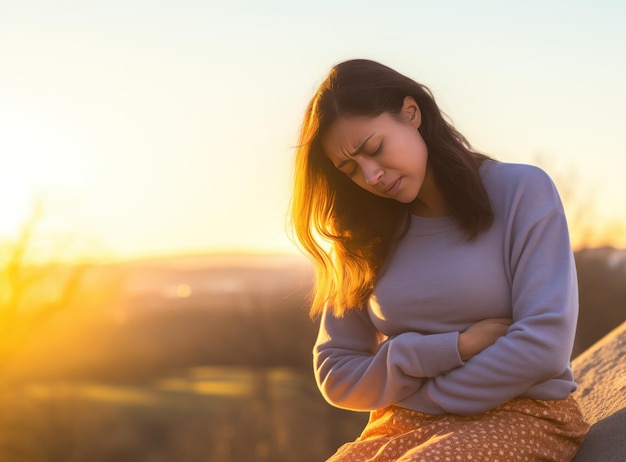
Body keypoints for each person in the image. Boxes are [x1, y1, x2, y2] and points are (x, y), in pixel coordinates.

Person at [289, 59, 589, 461]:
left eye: (374, 149)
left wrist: (421, 393)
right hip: (399, 424)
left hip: (525, 413)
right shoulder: (360, 237)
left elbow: (543, 346)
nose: (371, 175)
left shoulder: (521, 190)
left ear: (411, 113)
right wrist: (453, 348)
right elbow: (336, 373)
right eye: (351, 169)